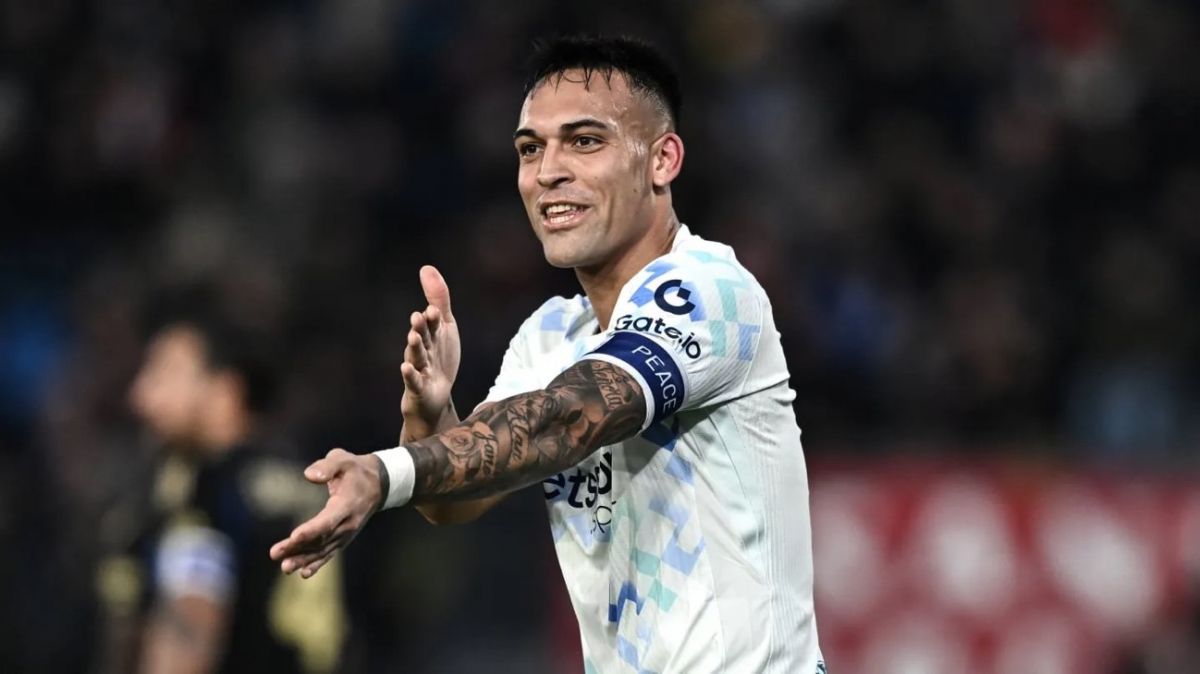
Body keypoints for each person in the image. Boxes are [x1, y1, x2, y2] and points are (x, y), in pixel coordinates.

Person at [270, 35, 824, 673]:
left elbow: (567, 418)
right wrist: (430, 415)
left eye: (584, 141)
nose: (547, 172)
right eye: (531, 149)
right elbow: (454, 502)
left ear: (662, 160)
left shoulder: (711, 291)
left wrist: (384, 472)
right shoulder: (551, 333)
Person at [95, 312, 346, 674]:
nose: (141, 396)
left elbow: (189, 633)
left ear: (226, 391)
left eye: (166, 373)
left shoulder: (208, 490)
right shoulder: (306, 477)